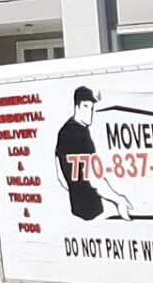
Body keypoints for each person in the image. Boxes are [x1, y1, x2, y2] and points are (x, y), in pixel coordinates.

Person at [54, 87, 130, 221]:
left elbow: (60, 174)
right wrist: (119, 200)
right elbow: (94, 179)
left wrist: (76, 192)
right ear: (76, 106)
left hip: (77, 211)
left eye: (91, 108)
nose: (89, 112)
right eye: (85, 106)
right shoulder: (79, 135)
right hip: (93, 213)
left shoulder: (64, 131)